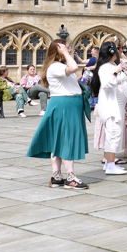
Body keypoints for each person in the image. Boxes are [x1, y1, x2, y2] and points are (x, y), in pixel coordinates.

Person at [26, 41, 89, 189]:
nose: (70, 49)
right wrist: (66, 53)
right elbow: (74, 67)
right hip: (65, 104)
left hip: (67, 104)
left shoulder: (59, 66)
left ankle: (56, 177)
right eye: (67, 47)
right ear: (58, 50)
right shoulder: (55, 66)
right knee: (67, 139)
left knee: (58, 140)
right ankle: (70, 177)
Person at [90, 41, 127, 175]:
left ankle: (109, 163)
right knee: (113, 135)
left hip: (117, 106)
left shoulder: (111, 66)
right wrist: (115, 73)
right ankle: (111, 165)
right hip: (110, 108)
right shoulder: (105, 68)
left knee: (114, 135)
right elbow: (107, 84)